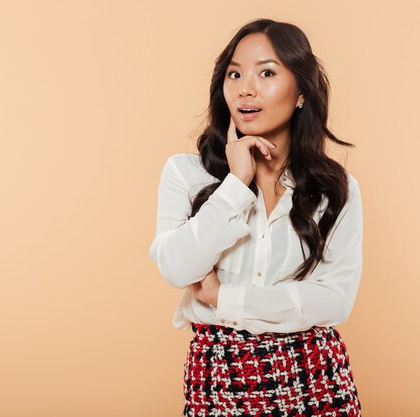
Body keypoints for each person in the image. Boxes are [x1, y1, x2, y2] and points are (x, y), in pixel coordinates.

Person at [148, 18, 363, 416]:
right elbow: (177, 268)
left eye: (266, 72)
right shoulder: (186, 174)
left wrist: (223, 298)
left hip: (313, 376)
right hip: (218, 377)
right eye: (234, 73)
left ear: (301, 91)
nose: (245, 88)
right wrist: (235, 185)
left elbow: (334, 301)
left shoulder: (336, 187)